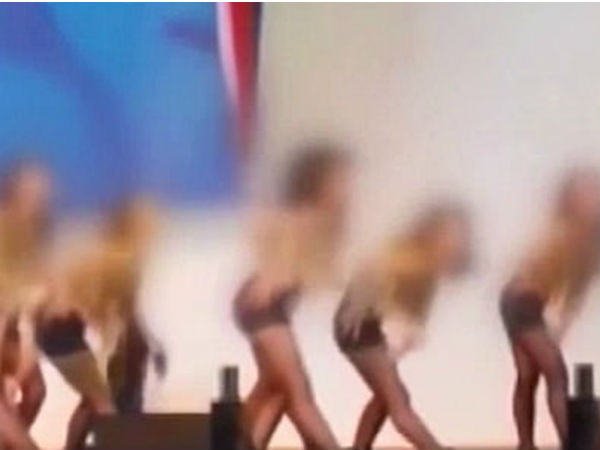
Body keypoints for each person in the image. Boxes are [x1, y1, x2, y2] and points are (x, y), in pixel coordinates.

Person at [233, 143, 351, 450]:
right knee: (298, 391)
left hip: (267, 305)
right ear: (317, 183)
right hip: (262, 305)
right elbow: (280, 256)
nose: (345, 188)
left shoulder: (325, 223)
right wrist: (275, 276)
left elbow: (320, 275)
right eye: (339, 181)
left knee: (274, 388)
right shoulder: (305, 218)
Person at [334, 203, 471, 450]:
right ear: (431, 232)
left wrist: (402, 337)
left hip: (369, 327)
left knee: (385, 397)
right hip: (357, 326)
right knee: (399, 403)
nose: (454, 242)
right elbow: (370, 283)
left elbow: (414, 311)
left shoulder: (427, 265)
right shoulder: (406, 257)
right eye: (449, 235)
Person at [35, 197, 162, 449]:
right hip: (56, 332)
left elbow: (118, 318)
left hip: (60, 330)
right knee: (102, 403)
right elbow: (97, 313)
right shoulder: (114, 262)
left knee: (94, 398)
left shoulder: (118, 261)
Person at [500, 168, 600, 450]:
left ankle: (526, 444)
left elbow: (575, 291)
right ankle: (573, 443)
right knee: (555, 372)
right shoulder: (564, 231)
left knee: (528, 376)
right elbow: (535, 267)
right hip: (519, 302)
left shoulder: (588, 243)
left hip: (526, 305)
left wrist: (559, 326)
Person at [0, 159, 54, 450]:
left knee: (35, 392)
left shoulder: (34, 233)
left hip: (12, 335)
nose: (42, 198)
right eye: (34, 191)